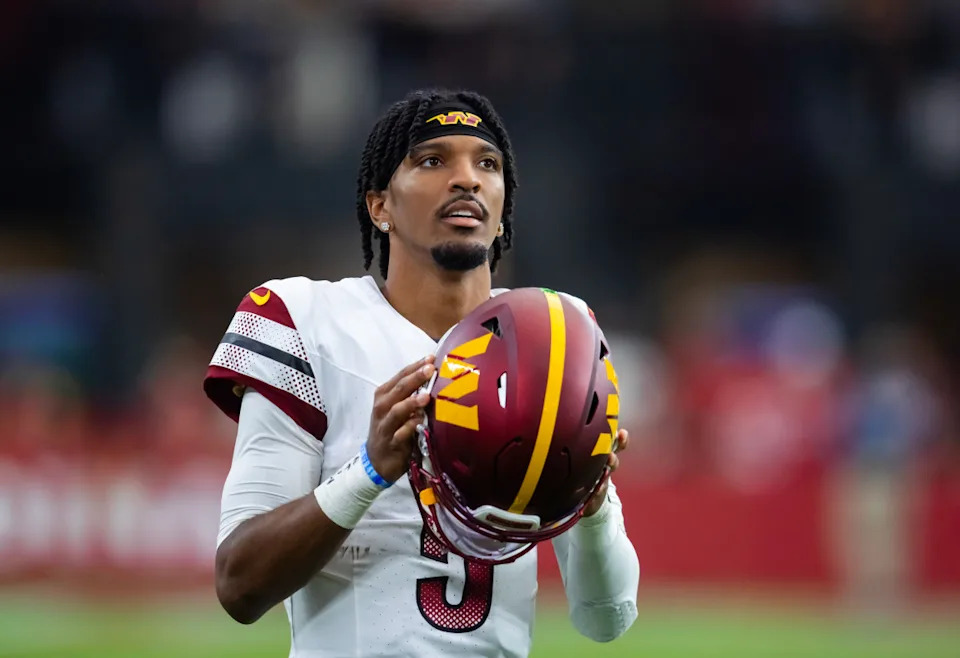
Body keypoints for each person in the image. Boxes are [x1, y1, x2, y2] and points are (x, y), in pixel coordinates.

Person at [204, 88, 640, 657]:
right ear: (379, 206)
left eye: (487, 164)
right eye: (432, 160)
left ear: (504, 209)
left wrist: (592, 503)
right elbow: (240, 583)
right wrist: (368, 472)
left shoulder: (559, 332)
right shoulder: (305, 320)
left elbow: (606, 620)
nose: (467, 179)